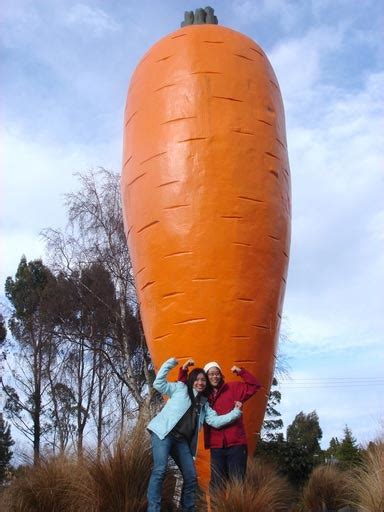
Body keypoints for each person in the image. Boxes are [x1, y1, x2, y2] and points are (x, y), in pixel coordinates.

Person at [147, 357, 242, 512]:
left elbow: (216, 421)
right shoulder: (180, 389)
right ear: (192, 380)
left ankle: (188, 509)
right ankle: (153, 509)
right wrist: (171, 363)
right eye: (197, 379)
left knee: (191, 477)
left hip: (181, 442)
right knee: (160, 469)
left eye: (203, 380)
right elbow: (158, 384)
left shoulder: (204, 404)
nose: (200, 382)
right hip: (163, 433)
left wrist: (235, 412)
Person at [178, 359, 261, 489]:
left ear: (220, 375)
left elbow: (255, 385)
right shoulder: (203, 395)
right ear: (206, 376)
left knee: (238, 483)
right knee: (217, 485)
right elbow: (183, 390)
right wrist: (183, 370)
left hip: (236, 444)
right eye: (210, 374)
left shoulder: (233, 388)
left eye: (216, 373)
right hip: (216, 446)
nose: (214, 376)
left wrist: (241, 372)